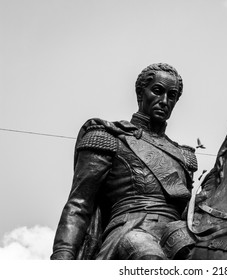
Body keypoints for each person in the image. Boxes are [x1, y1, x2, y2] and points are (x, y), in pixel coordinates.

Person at [51, 63, 198, 260]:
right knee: (148, 254)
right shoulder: (108, 137)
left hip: (177, 234)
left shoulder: (183, 156)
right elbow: (80, 204)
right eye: (157, 91)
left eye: (171, 96)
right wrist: (62, 257)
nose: (164, 101)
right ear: (140, 93)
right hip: (132, 230)